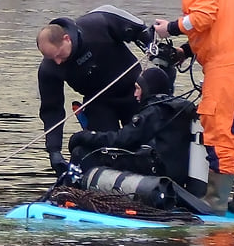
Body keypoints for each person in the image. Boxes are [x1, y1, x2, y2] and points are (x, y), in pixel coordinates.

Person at [153, 0, 234, 216]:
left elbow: (201, 18)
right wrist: (184, 51)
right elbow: (216, 27)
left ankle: (215, 202)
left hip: (226, 72)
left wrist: (170, 28)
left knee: (220, 134)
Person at [37, 5, 154, 178]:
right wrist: (54, 151)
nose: (58, 62)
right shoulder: (49, 69)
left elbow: (138, 29)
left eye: (59, 55)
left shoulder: (96, 26)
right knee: (104, 152)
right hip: (99, 103)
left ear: (67, 39)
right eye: (51, 58)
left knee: (144, 143)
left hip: (133, 92)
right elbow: (52, 111)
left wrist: (148, 42)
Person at [66, 65, 196, 187]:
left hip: (156, 171)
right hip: (176, 175)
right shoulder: (179, 108)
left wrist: (85, 137)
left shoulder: (153, 112)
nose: (135, 94)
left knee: (83, 153)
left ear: (148, 89)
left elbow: (122, 140)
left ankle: (70, 193)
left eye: (138, 88)